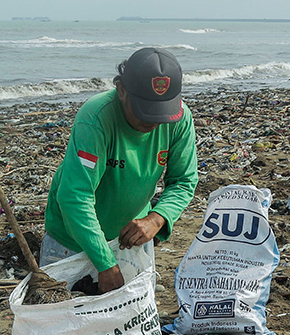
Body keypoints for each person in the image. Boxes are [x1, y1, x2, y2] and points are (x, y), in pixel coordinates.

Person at [41, 47, 198, 294]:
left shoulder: (179, 120)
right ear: (121, 89)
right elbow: (75, 196)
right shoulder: (96, 118)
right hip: (72, 242)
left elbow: (183, 180)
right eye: (145, 110)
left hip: (129, 242)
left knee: (130, 325)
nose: (155, 121)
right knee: (59, 321)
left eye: (162, 112)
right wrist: (105, 264)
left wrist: (156, 219)